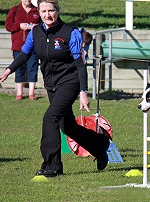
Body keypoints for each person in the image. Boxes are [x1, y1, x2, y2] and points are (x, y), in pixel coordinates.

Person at [0, 0, 110, 177]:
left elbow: (80, 65)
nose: (47, 14)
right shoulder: (35, 32)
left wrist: (83, 92)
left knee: (50, 118)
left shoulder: (70, 32)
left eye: (51, 10)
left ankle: (53, 165)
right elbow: (25, 53)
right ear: (39, 12)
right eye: (43, 11)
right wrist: (8, 70)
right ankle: (100, 145)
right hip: (51, 84)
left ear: (57, 11)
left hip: (70, 82)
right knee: (67, 127)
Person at [5, 0, 40, 100]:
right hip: (18, 46)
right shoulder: (15, 10)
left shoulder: (37, 11)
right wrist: (19, 26)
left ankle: (31, 93)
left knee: (33, 68)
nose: (27, 0)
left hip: (34, 46)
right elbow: (8, 25)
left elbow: (43, 25)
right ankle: (19, 93)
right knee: (19, 69)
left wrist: (35, 27)